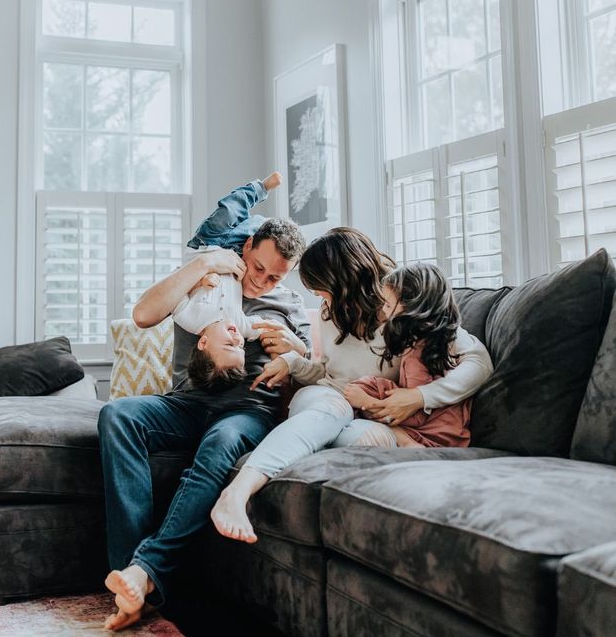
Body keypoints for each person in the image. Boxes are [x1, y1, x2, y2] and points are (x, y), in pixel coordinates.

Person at [98, 178, 310, 631]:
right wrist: (205, 262)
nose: (262, 281)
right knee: (117, 415)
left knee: (221, 441)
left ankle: (144, 573)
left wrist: (296, 350)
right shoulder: (210, 279)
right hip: (186, 403)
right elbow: (143, 315)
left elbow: (315, 371)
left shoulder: (289, 304)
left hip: (248, 412)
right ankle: (130, 576)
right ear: (247, 246)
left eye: (275, 277)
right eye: (258, 268)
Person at [210, 227, 493, 544]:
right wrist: (293, 362)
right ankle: (238, 491)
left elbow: (479, 363)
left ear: (343, 280)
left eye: (321, 288)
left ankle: (276, 462)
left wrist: (418, 397)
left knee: (357, 436)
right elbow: (327, 374)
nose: (318, 297)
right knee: (334, 408)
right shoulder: (329, 311)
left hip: (368, 418)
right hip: (327, 399)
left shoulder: (402, 305)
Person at [171, 173, 284, 389]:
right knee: (261, 228)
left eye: (228, 345)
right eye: (240, 348)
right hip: (235, 252)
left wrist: (199, 281)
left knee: (230, 210)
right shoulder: (240, 325)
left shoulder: (190, 319)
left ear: (203, 343)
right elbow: (265, 328)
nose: (237, 340)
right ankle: (268, 225)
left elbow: (177, 287)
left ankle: (261, 188)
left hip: (207, 243)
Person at [342, 262, 472, 449]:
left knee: (367, 397)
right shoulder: (437, 341)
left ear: (411, 307)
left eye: (387, 304)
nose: (384, 312)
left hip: (435, 436)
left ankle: (406, 443)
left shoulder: (416, 355)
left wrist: (366, 402)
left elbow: (416, 416)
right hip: (452, 431)